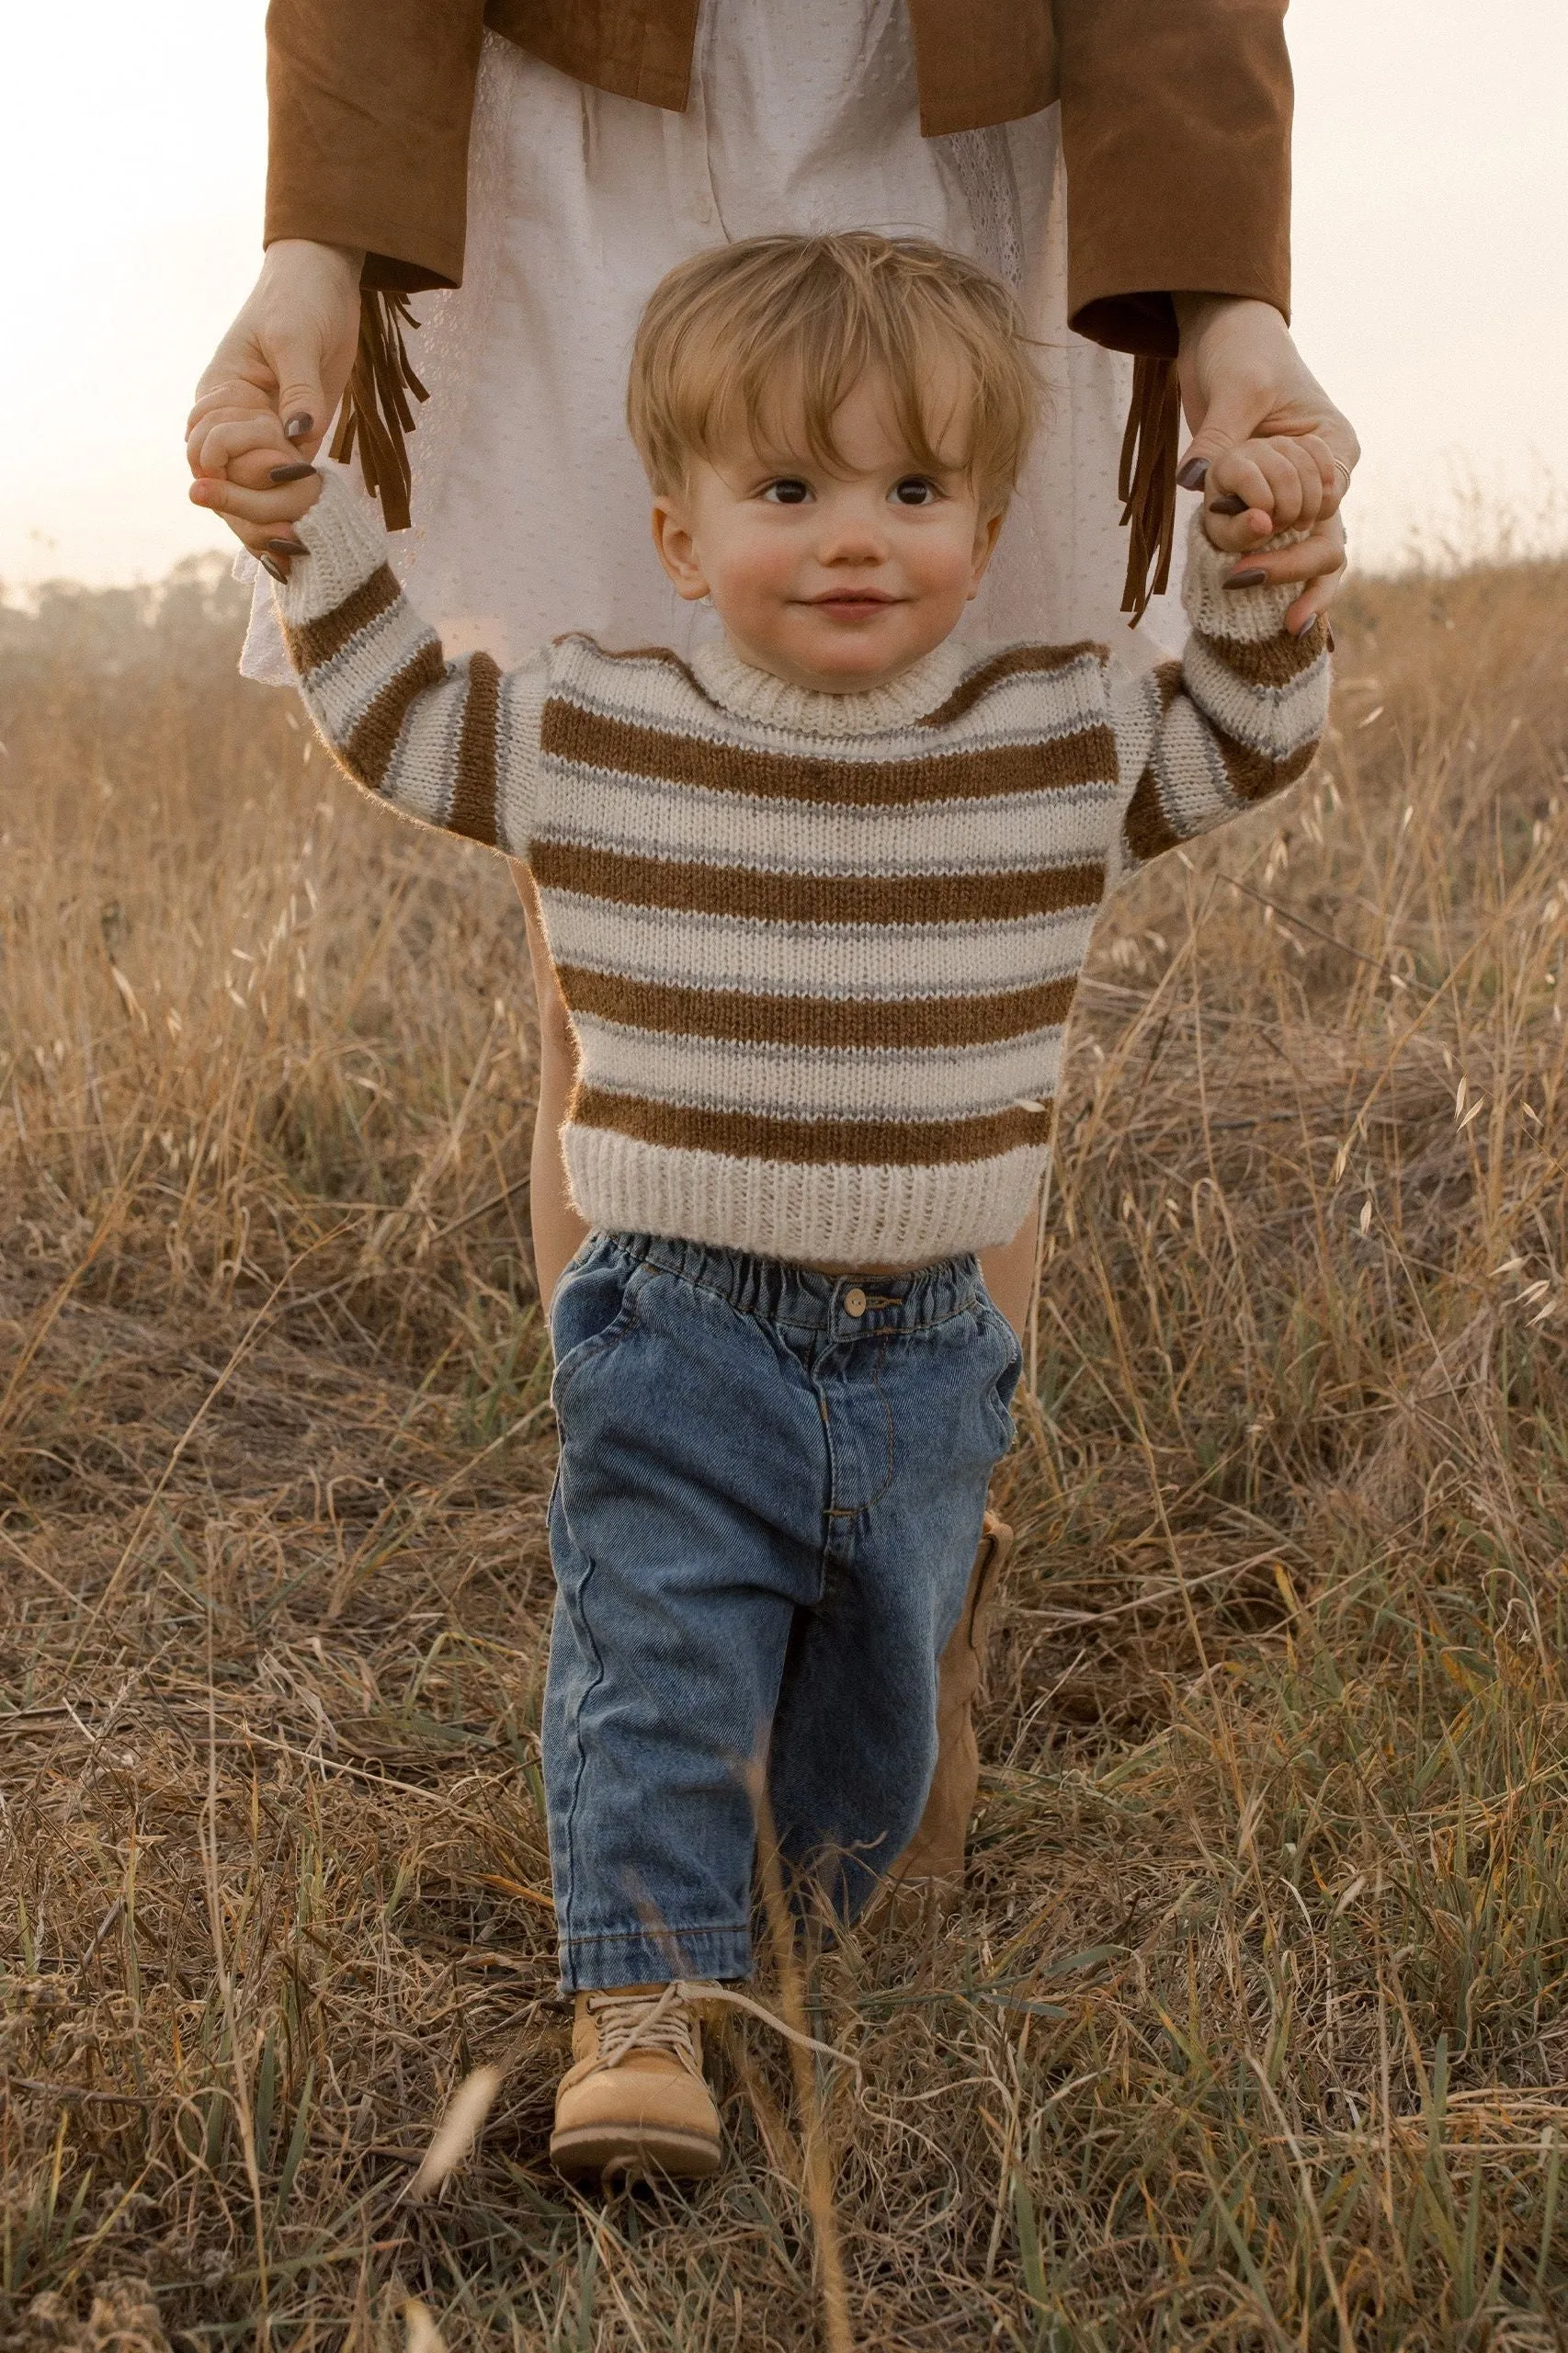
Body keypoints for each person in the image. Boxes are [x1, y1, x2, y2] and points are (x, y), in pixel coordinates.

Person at [188, 0, 1357, 1898]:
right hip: (582, 123)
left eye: (905, 511)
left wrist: (1223, 307)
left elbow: (1217, 738)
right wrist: (316, 248)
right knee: (609, 941)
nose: (857, 534)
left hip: (978, 118)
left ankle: (903, 1654)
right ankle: (669, 1660)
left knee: (952, 927)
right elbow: (431, 722)